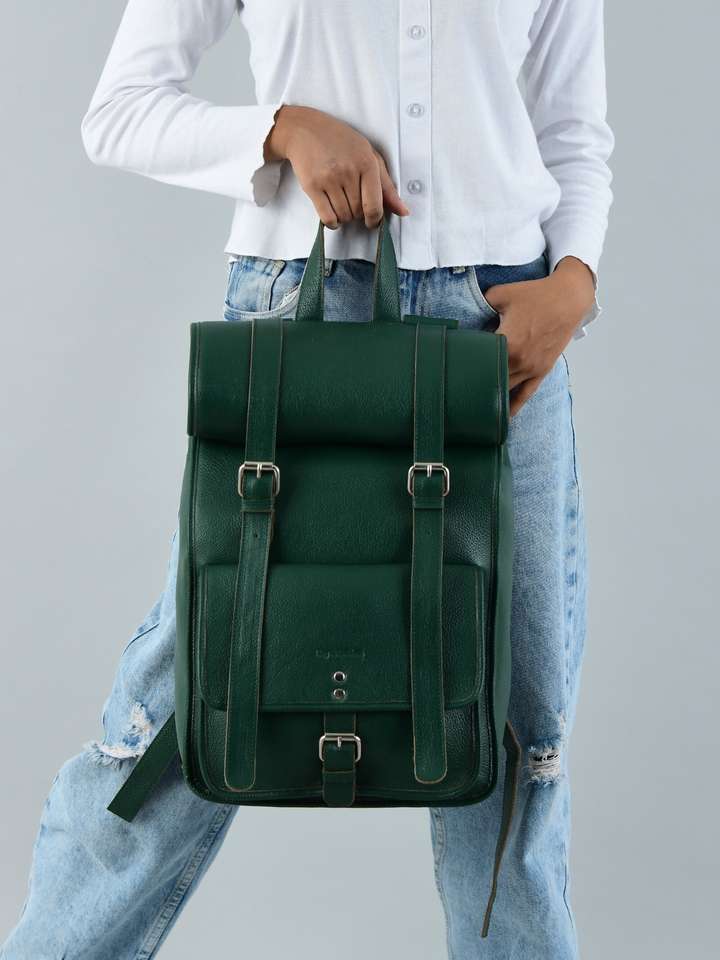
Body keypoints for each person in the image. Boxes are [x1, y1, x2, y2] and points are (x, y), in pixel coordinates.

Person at [1, 1, 613, 957]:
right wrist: (281, 129)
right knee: (195, 695)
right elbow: (117, 111)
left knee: (515, 724)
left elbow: (574, 134)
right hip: (299, 312)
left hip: (504, 329)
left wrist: (575, 282)